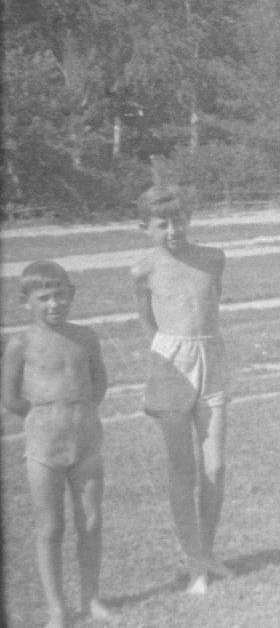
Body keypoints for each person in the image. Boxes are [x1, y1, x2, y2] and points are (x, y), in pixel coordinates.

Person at [130, 183, 230, 595]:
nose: (173, 230)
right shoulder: (144, 268)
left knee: (215, 467)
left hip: (211, 359)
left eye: (179, 221)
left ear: (190, 219)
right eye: (162, 224)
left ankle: (206, 553)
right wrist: (169, 348)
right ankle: (195, 567)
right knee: (181, 469)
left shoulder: (213, 258)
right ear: (145, 227)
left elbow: (211, 305)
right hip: (171, 363)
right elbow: (147, 320)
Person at [2, 261, 113, 627]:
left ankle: (91, 598)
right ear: (25, 301)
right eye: (44, 298)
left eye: (61, 295)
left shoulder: (86, 336)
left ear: (73, 295)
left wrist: (79, 411)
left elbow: (99, 382)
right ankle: (56, 609)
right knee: (50, 527)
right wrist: (45, 417)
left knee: (92, 522)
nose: (54, 304)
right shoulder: (20, 343)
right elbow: (10, 398)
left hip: (86, 442)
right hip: (44, 447)